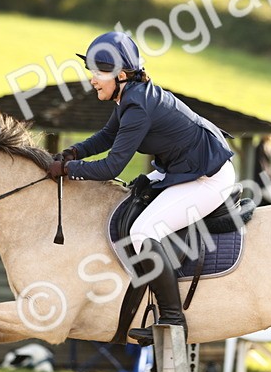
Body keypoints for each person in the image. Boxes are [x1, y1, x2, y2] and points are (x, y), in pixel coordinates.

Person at [47, 31, 236, 343]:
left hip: (208, 178)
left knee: (142, 232)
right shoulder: (130, 97)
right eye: (91, 72)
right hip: (183, 170)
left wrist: (68, 170)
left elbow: (111, 167)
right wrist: (75, 152)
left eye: (99, 73)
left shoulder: (138, 106)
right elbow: (107, 137)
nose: (92, 79)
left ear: (120, 75)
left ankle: (174, 321)